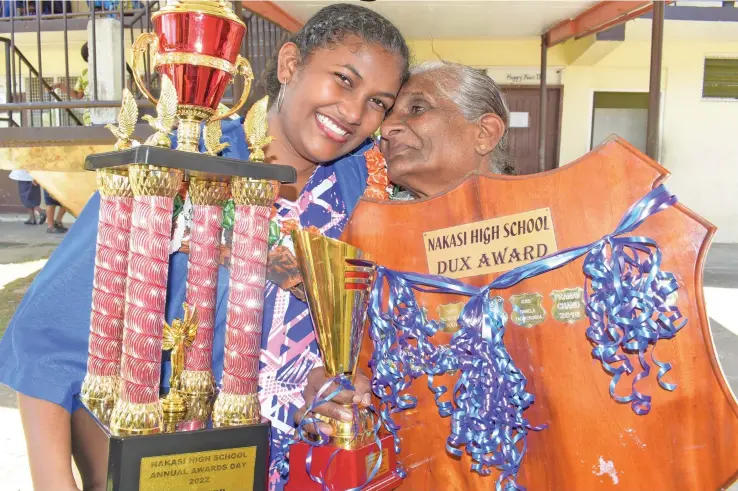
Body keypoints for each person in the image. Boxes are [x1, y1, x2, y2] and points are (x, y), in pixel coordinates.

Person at [0, 4, 408, 491]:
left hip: (314, 471)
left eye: (379, 102)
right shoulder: (181, 169)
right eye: (343, 79)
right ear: (289, 65)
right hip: (186, 467)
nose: (355, 113)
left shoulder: (363, 191)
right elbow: (47, 340)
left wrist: (326, 381)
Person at [296, 61, 514, 487]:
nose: (387, 130)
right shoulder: (367, 239)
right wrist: (333, 390)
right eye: (389, 114)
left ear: (485, 132)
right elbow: (350, 368)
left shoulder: (554, 231)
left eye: (416, 109)